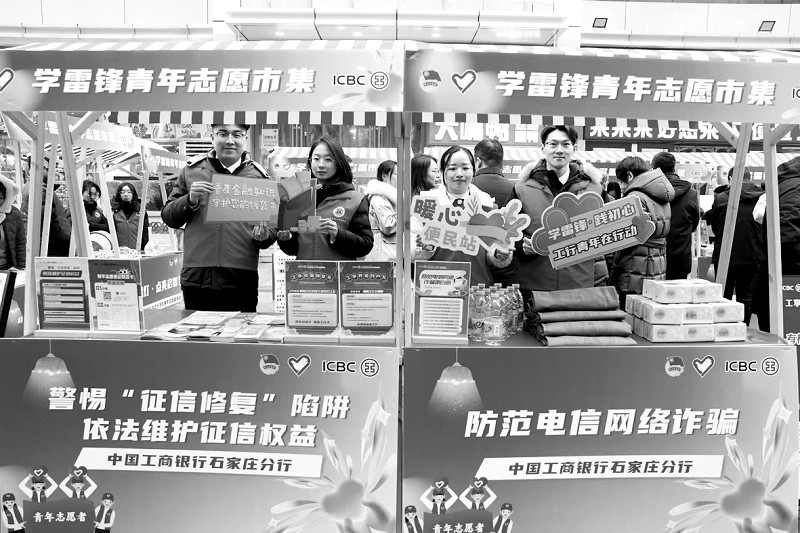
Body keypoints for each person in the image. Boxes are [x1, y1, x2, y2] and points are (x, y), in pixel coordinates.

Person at [162, 124, 277, 312]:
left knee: (241, 329)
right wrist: (189, 199)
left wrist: (264, 237)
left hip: (241, 276)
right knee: (196, 329)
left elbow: (271, 227)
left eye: (237, 135)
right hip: (197, 275)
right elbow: (169, 217)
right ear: (212, 136)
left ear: (245, 138)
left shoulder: (260, 177)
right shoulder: (191, 170)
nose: (230, 140)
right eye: (223, 134)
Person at [516, 126, 607, 299]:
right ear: (543, 148)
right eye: (553, 144)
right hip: (535, 286)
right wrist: (522, 246)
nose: (559, 150)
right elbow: (508, 233)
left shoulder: (595, 189)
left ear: (574, 148)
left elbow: (608, 228)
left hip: (579, 284)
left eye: (566, 144)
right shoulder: (521, 189)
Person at [415, 146, 512, 286]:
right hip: (435, 288)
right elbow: (409, 250)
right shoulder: (426, 204)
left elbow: (492, 250)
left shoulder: (486, 205)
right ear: (442, 172)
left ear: (474, 170)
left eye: (465, 168)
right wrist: (427, 248)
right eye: (452, 168)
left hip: (476, 288)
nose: (459, 173)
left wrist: (499, 254)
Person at [276, 136, 373, 260]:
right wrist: (287, 239)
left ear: (338, 163)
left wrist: (338, 234)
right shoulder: (297, 196)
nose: (321, 165)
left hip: (339, 271)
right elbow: (292, 250)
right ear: (310, 162)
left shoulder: (355, 200)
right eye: (316, 159)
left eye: (328, 159)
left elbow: (365, 245)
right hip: (303, 271)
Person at [610, 156, 674, 309]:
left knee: (631, 313)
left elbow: (627, 236)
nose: (621, 186)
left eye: (621, 182)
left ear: (630, 175)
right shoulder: (661, 196)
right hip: (657, 264)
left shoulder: (635, 197)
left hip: (634, 268)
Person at [703, 167, 763, 325]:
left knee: (723, 296)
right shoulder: (762, 198)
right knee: (746, 297)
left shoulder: (722, 198)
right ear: (750, 178)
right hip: (752, 254)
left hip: (725, 254)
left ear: (731, 179)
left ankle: (724, 330)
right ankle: (744, 330)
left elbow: (714, 225)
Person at [751, 156, 800, 331]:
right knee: (782, 334)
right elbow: (787, 237)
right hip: (785, 282)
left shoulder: (785, 185)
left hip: (775, 279)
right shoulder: (795, 187)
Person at [473, 138, 517, 286]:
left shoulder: (467, 188)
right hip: (506, 266)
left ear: (478, 161)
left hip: (474, 264)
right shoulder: (515, 188)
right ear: (501, 162)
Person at [652, 152, 699, 280]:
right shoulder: (691, 193)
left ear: (654, 170)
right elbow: (694, 225)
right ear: (674, 168)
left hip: (654, 258)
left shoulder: (650, 191)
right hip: (681, 258)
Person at [20, 156, 71, 257]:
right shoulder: (40, 191)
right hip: (53, 246)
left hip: (47, 243)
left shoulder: (35, 187)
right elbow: (49, 221)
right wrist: (67, 239)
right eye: (52, 169)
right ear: (43, 169)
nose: (54, 173)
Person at [364, 160, 398, 262]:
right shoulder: (379, 197)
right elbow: (388, 226)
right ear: (384, 176)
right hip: (383, 256)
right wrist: (406, 213)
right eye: (397, 174)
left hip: (390, 255)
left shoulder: (392, 197)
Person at [111, 182, 149, 251]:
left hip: (137, 250)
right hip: (119, 250)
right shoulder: (114, 211)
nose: (126, 194)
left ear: (133, 194)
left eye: (129, 192)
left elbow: (145, 233)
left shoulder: (141, 211)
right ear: (119, 195)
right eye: (123, 192)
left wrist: (144, 249)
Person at [0, 176, 26, 271]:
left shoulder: (14, 214)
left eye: (0, 198)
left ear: (6, 197)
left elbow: (20, 242)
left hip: (7, 267)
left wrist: (22, 266)